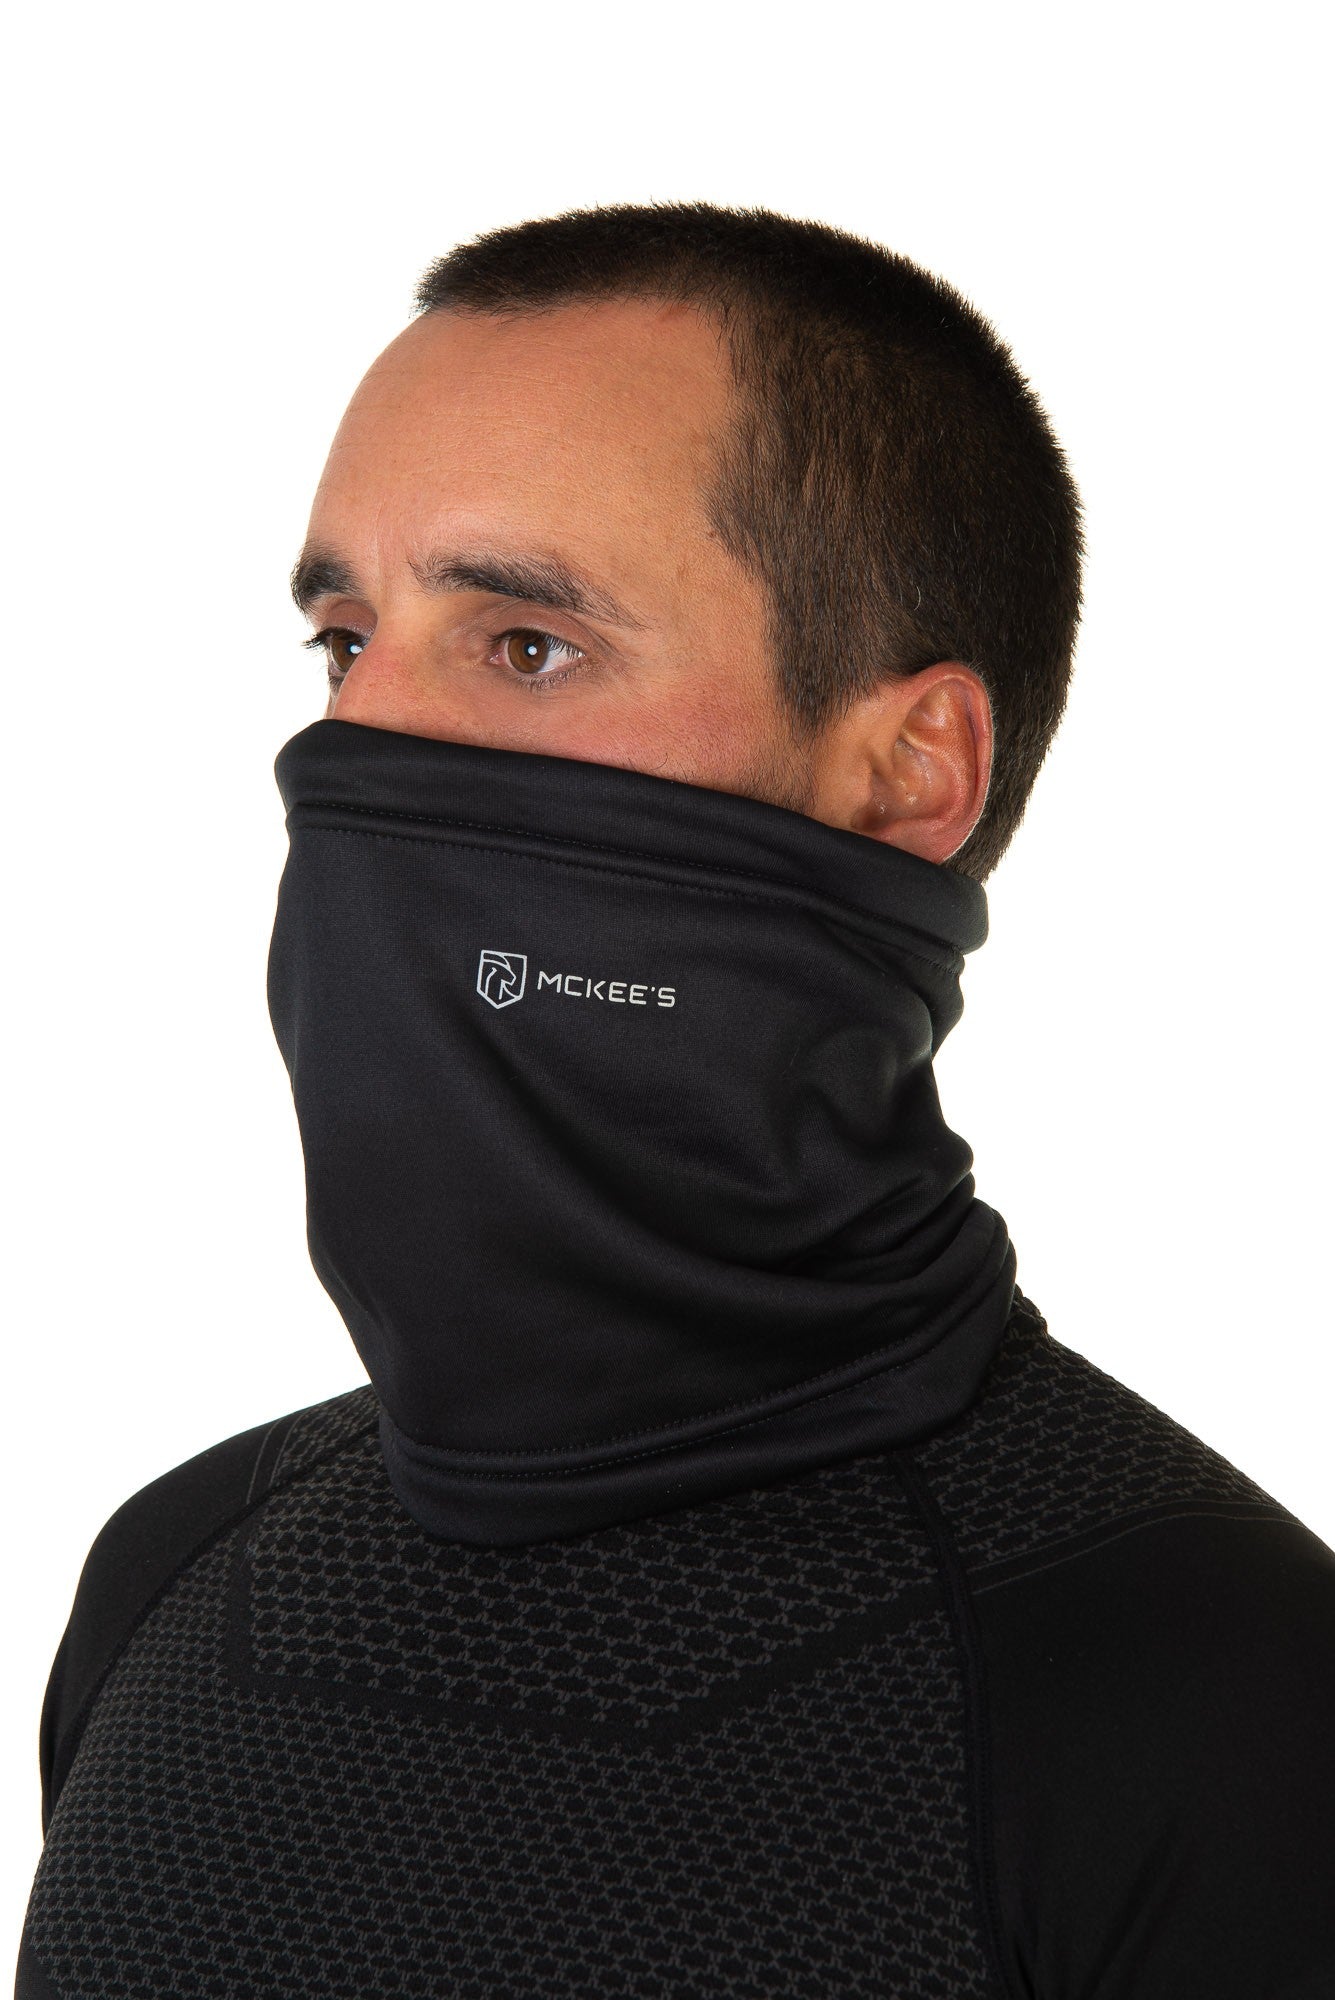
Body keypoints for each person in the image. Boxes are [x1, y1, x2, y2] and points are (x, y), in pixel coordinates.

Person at [15, 201, 1335, 2000]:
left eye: (524, 645)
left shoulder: (1220, 1701)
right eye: (344, 641)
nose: (354, 750)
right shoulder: (170, 1580)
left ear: (907, 771)